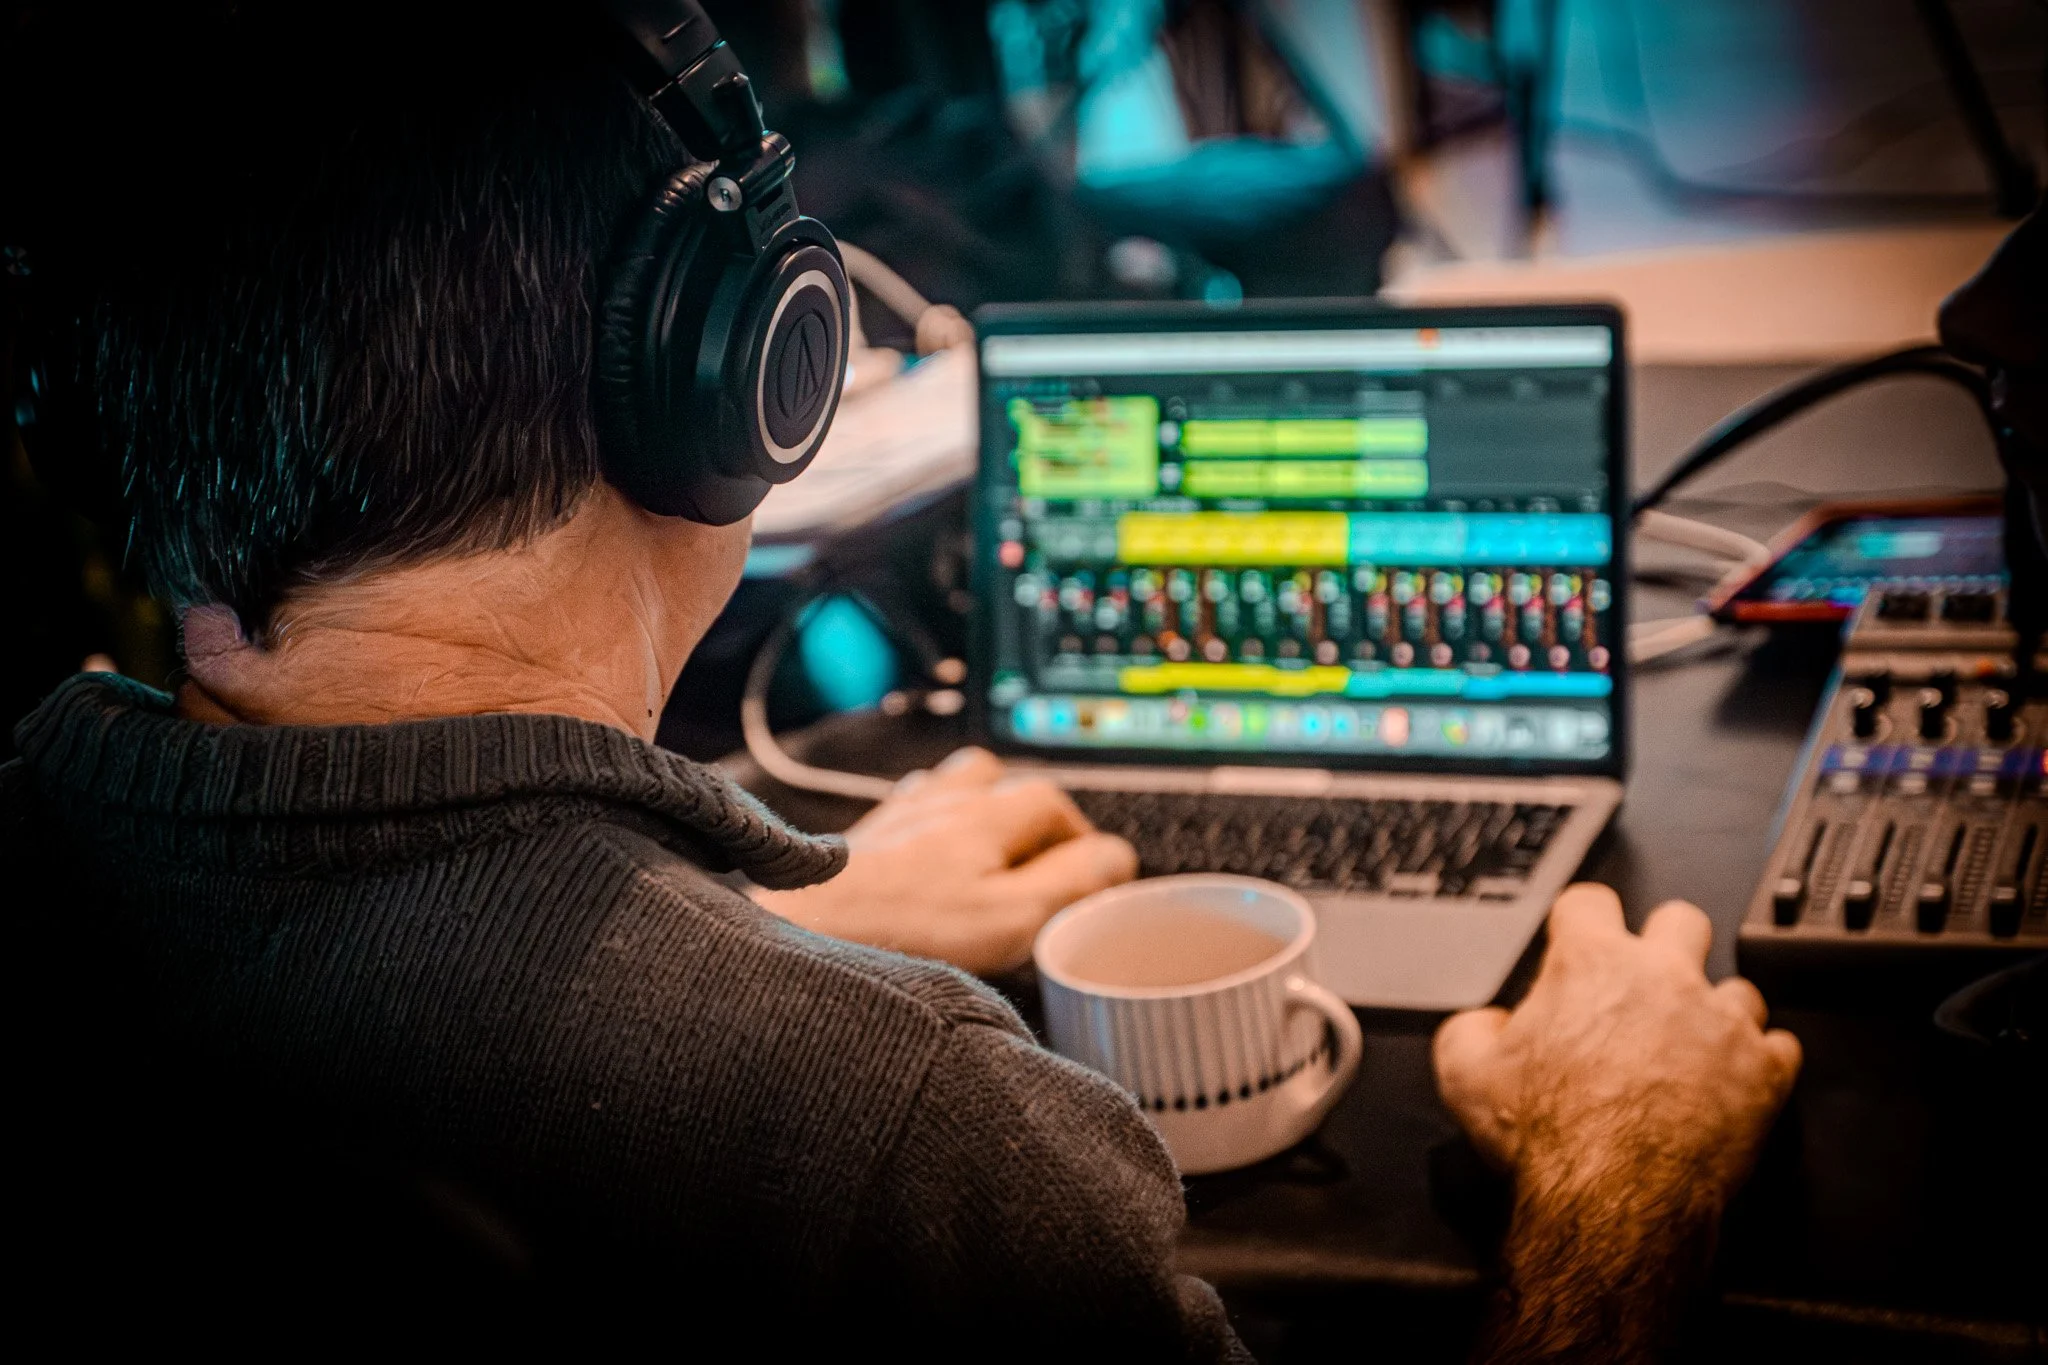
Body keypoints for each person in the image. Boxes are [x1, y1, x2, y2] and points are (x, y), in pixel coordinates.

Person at [1, 4, 1813, 1356]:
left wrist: (774, 922)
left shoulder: (32, 859)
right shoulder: (905, 1126)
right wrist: (1622, 1175)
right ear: (745, 373)